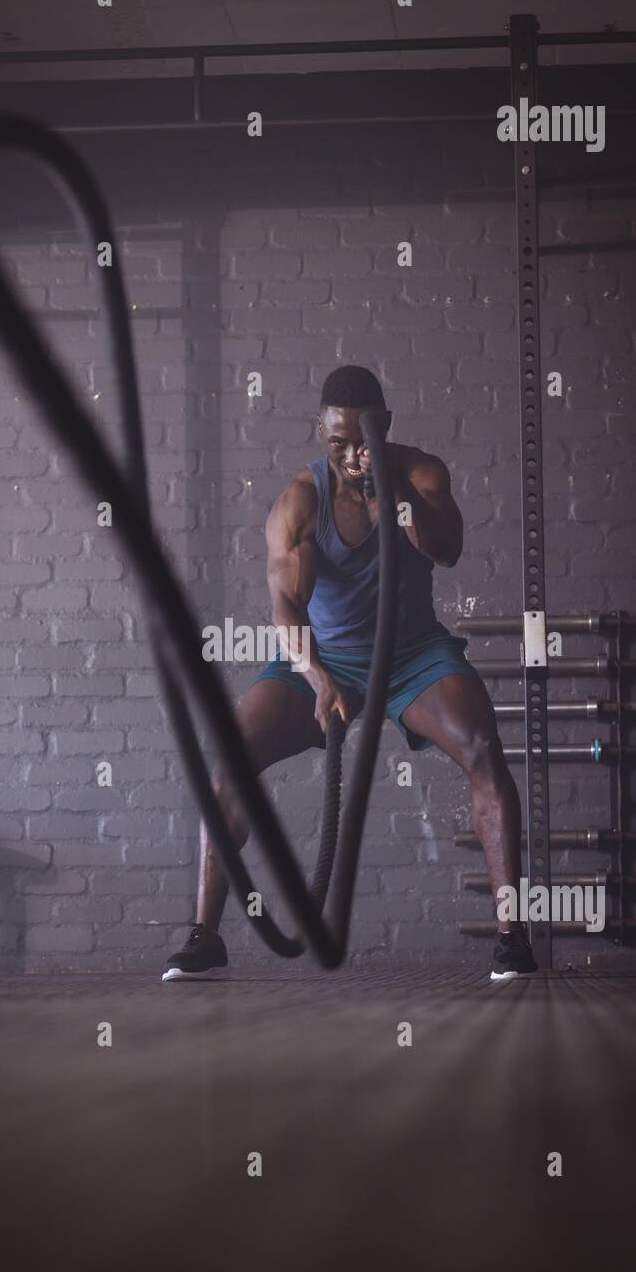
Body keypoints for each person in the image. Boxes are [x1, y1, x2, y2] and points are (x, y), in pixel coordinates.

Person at [162, 365, 536, 983]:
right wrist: (314, 673)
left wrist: (397, 495)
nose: (348, 453)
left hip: (410, 653)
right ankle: (204, 937)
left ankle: (512, 938)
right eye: (335, 441)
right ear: (321, 432)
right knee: (228, 756)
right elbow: (284, 605)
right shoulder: (301, 501)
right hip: (324, 654)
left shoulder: (420, 473)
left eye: (360, 438)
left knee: (483, 749)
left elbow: (447, 549)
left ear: (384, 427)